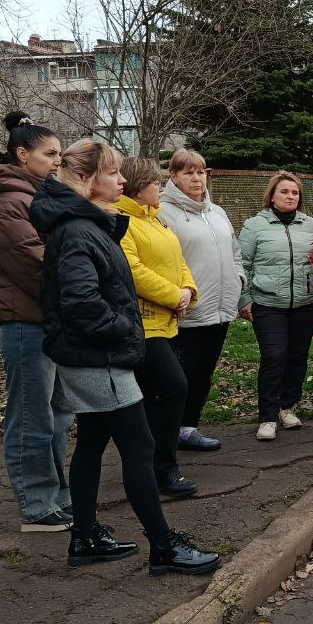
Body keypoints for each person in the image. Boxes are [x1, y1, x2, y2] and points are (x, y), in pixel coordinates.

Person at [30, 139, 219, 576]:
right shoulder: (77, 228)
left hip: (93, 356)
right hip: (100, 358)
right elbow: (79, 302)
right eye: (113, 173)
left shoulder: (86, 222)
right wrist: (124, 327)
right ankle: (164, 547)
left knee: (93, 442)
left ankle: (85, 536)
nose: (122, 180)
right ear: (86, 179)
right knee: (139, 445)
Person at [0, 111, 73, 532]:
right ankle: (36, 505)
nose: (57, 161)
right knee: (33, 417)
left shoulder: (38, 197)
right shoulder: (6, 203)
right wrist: (80, 293)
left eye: (60, 154)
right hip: (25, 324)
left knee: (59, 416)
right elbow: (36, 268)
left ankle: (56, 497)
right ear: (21, 153)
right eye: (50, 153)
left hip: (49, 322)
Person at [114, 157, 200, 499]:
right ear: (138, 186)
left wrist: (188, 292)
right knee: (174, 388)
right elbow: (131, 270)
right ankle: (163, 469)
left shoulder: (158, 220)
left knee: (160, 394)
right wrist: (172, 295)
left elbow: (179, 263)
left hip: (169, 321)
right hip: (144, 324)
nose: (160, 187)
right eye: (155, 183)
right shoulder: (123, 222)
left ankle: (150, 465)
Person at [158, 148, 244, 452]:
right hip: (187, 311)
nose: (197, 178)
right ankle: (166, 434)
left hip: (220, 308)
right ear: (173, 176)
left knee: (203, 372)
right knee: (180, 377)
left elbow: (234, 252)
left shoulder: (216, 212)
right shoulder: (162, 212)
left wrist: (238, 280)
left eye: (201, 172)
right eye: (188, 172)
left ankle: (188, 428)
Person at [238, 172, 313, 442]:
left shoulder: (311, 225)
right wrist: (244, 298)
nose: (290, 197)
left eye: (295, 193)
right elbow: (242, 265)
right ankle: (267, 416)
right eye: (284, 192)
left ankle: (287, 407)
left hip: (306, 302)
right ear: (272, 195)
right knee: (274, 356)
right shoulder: (254, 225)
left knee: (298, 356)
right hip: (267, 303)